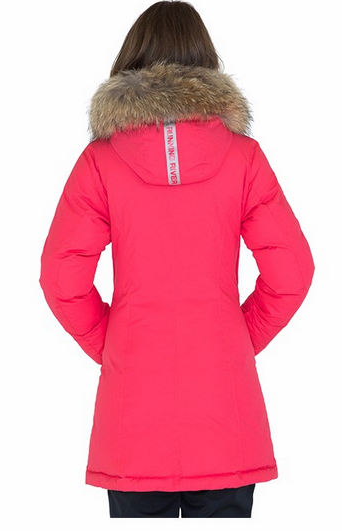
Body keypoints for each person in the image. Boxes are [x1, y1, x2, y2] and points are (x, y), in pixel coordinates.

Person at [39, 0, 314, 519]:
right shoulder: (244, 157)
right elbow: (292, 273)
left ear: (131, 60)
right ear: (206, 61)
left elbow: (61, 279)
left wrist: (115, 343)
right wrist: (235, 339)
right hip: (226, 418)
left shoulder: (100, 161)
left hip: (133, 420)